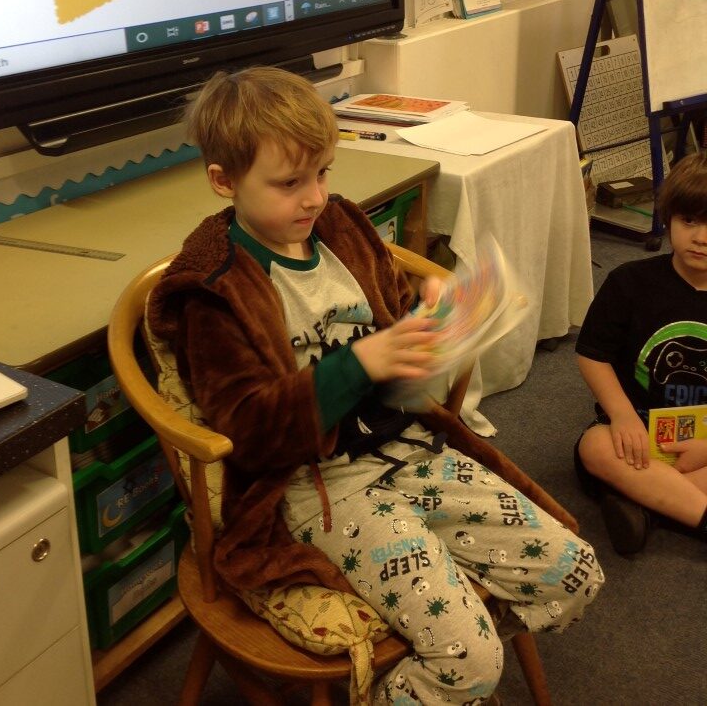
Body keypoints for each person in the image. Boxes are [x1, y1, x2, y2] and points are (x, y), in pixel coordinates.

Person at [148, 66, 604, 705]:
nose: (314, 197)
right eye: (289, 183)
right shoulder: (217, 291)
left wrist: (432, 316)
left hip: (408, 449)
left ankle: (450, 659)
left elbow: (390, 319)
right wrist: (362, 363)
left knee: (576, 572)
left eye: (322, 172)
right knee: (471, 664)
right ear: (224, 181)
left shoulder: (338, 227)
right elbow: (250, 432)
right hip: (319, 486)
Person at [575, 151, 707, 555]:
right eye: (690, 221)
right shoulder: (629, 282)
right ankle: (681, 508)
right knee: (594, 447)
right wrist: (622, 415)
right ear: (668, 219)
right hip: (637, 432)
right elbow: (593, 354)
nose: (701, 237)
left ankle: (647, 507)